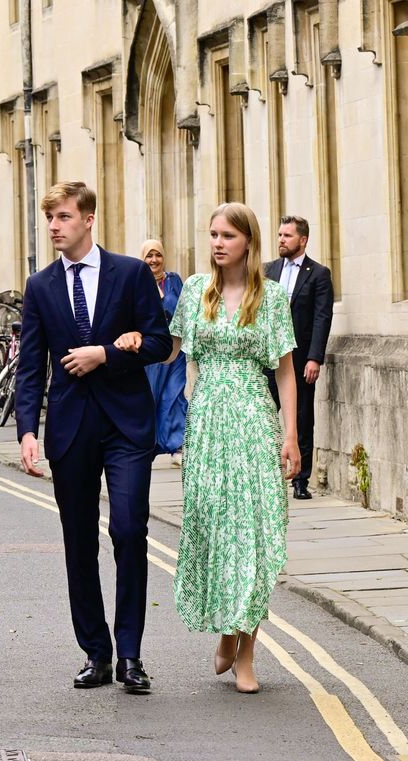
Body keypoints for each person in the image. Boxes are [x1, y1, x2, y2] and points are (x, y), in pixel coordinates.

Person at [15, 181, 171, 695]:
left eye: (62, 217)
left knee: (128, 530)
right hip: (70, 426)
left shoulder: (129, 273)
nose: (55, 227)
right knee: (78, 542)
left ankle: (131, 655)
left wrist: (107, 353)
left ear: (88, 219)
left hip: (126, 424)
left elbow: (159, 343)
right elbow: (31, 366)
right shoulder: (39, 287)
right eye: (50, 219)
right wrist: (26, 431)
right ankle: (96, 654)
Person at [164, 202, 299, 694]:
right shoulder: (197, 292)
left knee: (256, 537)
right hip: (209, 425)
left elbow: (284, 371)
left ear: (248, 242)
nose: (217, 243)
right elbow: (169, 349)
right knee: (218, 532)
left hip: (255, 422)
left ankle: (246, 654)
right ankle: (227, 628)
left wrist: (290, 435)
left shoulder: (273, 297)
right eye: (213, 234)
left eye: (227, 235)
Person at [264, 216, 334, 500]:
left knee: (302, 419)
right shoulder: (268, 270)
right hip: (270, 358)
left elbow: (322, 318)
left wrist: (315, 358)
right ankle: (267, 473)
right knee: (265, 416)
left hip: (302, 358)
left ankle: (300, 481)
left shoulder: (318, 274)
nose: (281, 239)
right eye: (280, 235)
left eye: (287, 236)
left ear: (302, 240)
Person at [140, 239, 187, 465]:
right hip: (150, 352)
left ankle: (177, 445)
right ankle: (147, 445)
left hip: (176, 350)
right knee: (152, 397)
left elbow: (185, 308)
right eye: (149, 256)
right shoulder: (137, 282)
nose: (154, 260)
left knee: (175, 395)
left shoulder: (174, 280)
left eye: (157, 255)